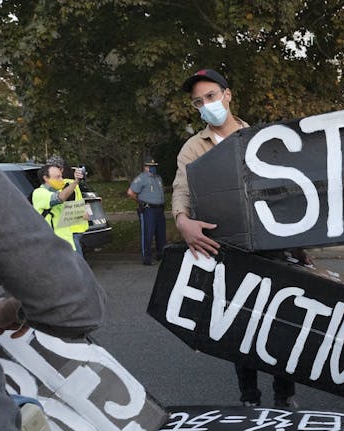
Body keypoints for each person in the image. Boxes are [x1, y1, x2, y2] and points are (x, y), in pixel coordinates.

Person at [174, 68, 301, 408]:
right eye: (198, 102)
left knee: (279, 321)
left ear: (227, 95)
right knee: (240, 325)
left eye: (211, 96)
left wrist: (301, 247)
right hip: (227, 249)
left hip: (271, 247)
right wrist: (182, 221)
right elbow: (182, 190)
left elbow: (287, 193)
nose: (206, 105)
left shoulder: (261, 139)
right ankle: (249, 397)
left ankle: (284, 395)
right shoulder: (192, 148)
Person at [0, 161, 106, 431]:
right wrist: (16, 307)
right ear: (44, 179)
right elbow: (75, 305)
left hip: (72, 244)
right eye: (55, 174)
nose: (60, 178)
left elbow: (76, 210)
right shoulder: (42, 194)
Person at [32, 156, 88, 254]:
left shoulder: (62, 187)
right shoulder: (39, 193)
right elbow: (59, 198)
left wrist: (81, 214)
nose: (62, 179)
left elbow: (62, 214)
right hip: (54, 247)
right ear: (46, 178)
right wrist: (76, 181)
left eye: (61, 176)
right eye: (58, 177)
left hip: (67, 243)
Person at [127, 157, 166, 265]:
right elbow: (130, 192)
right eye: (150, 166)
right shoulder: (141, 178)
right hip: (148, 210)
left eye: (154, 166)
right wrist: (140, 202)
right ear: (145, 167)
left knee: (161, 234)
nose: (152, 168)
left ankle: (161, 255)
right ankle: (147, 258)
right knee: (147, 234)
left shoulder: (158, 178)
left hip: (159, 209)